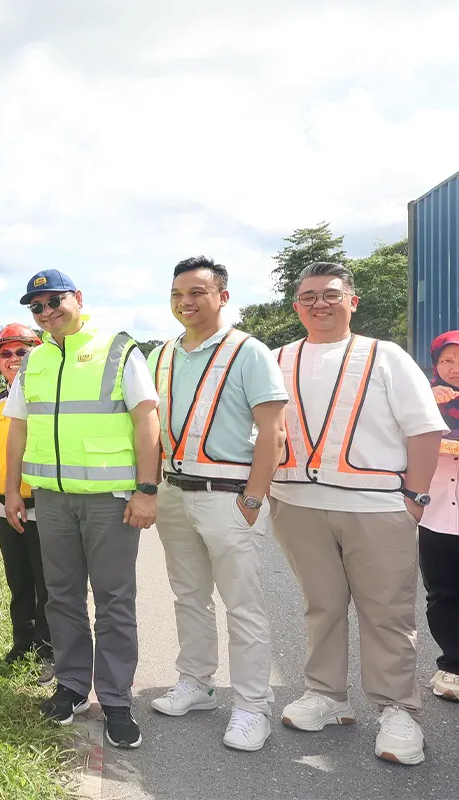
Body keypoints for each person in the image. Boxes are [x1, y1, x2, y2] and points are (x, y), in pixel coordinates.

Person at [270, 262, 446, 766]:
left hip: (377, 507)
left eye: (330, 294)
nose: (318, 304)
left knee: (386, 612)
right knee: (321, 605)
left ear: (353, 301)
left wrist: (415, 499)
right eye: (308, 297)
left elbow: (424, 430)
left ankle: (397, 710)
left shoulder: (385, 355)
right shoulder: (277, 358)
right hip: (299, 504)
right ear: (296, 306)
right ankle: (326, 696)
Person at [3, 269, 160, 749]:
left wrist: (147, 489)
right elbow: (17, 430)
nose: (47, 312)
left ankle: (115, 698)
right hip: (51, 498)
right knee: (62, 596)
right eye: (37, 307)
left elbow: (146, 419)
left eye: (54, 301)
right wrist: (13, 491)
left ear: (77, 298)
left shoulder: (118, 348)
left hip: (110, 501)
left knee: (114, 600)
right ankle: (71, 686)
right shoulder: (35, 361)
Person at [145, 257, 287, 753]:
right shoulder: (161, 354)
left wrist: (254, 496)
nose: (186, 302)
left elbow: (273, 430)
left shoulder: (248, 351)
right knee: (189, 595)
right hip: (172, 492)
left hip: (228, 495)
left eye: (198, 292)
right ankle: (197, 682)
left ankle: (252, 706)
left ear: (222, 296)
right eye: (178, 292)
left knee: (243, 604)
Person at [0, 323, 53, 684]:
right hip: (3, 505)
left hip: (43, 506)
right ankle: (22, 645)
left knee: (48, 583)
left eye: (21, 352)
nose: (13, 359)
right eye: (5, 353)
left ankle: (48, 651)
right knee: (18, 581)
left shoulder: (48, 399)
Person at [422, 329, 459, 701]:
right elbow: (398, 441)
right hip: (435, 514)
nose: (453, 368)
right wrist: (426, 407)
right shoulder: (422, 399)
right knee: (442, 594)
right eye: (446, 360)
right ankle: (452, 667)